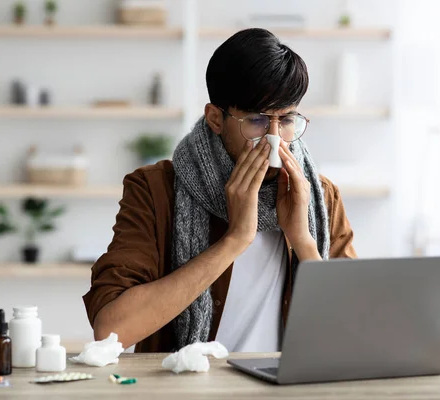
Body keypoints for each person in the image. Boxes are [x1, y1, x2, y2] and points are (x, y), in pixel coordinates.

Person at [83, 28, 356, 353]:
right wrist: (235, 239)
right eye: (256, 120)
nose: (275, 140)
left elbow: (354, 331)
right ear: (215, 118)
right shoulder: (155, 190)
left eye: (286, 119)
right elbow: (111, 329)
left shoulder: (319, 196)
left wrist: (304, 243)